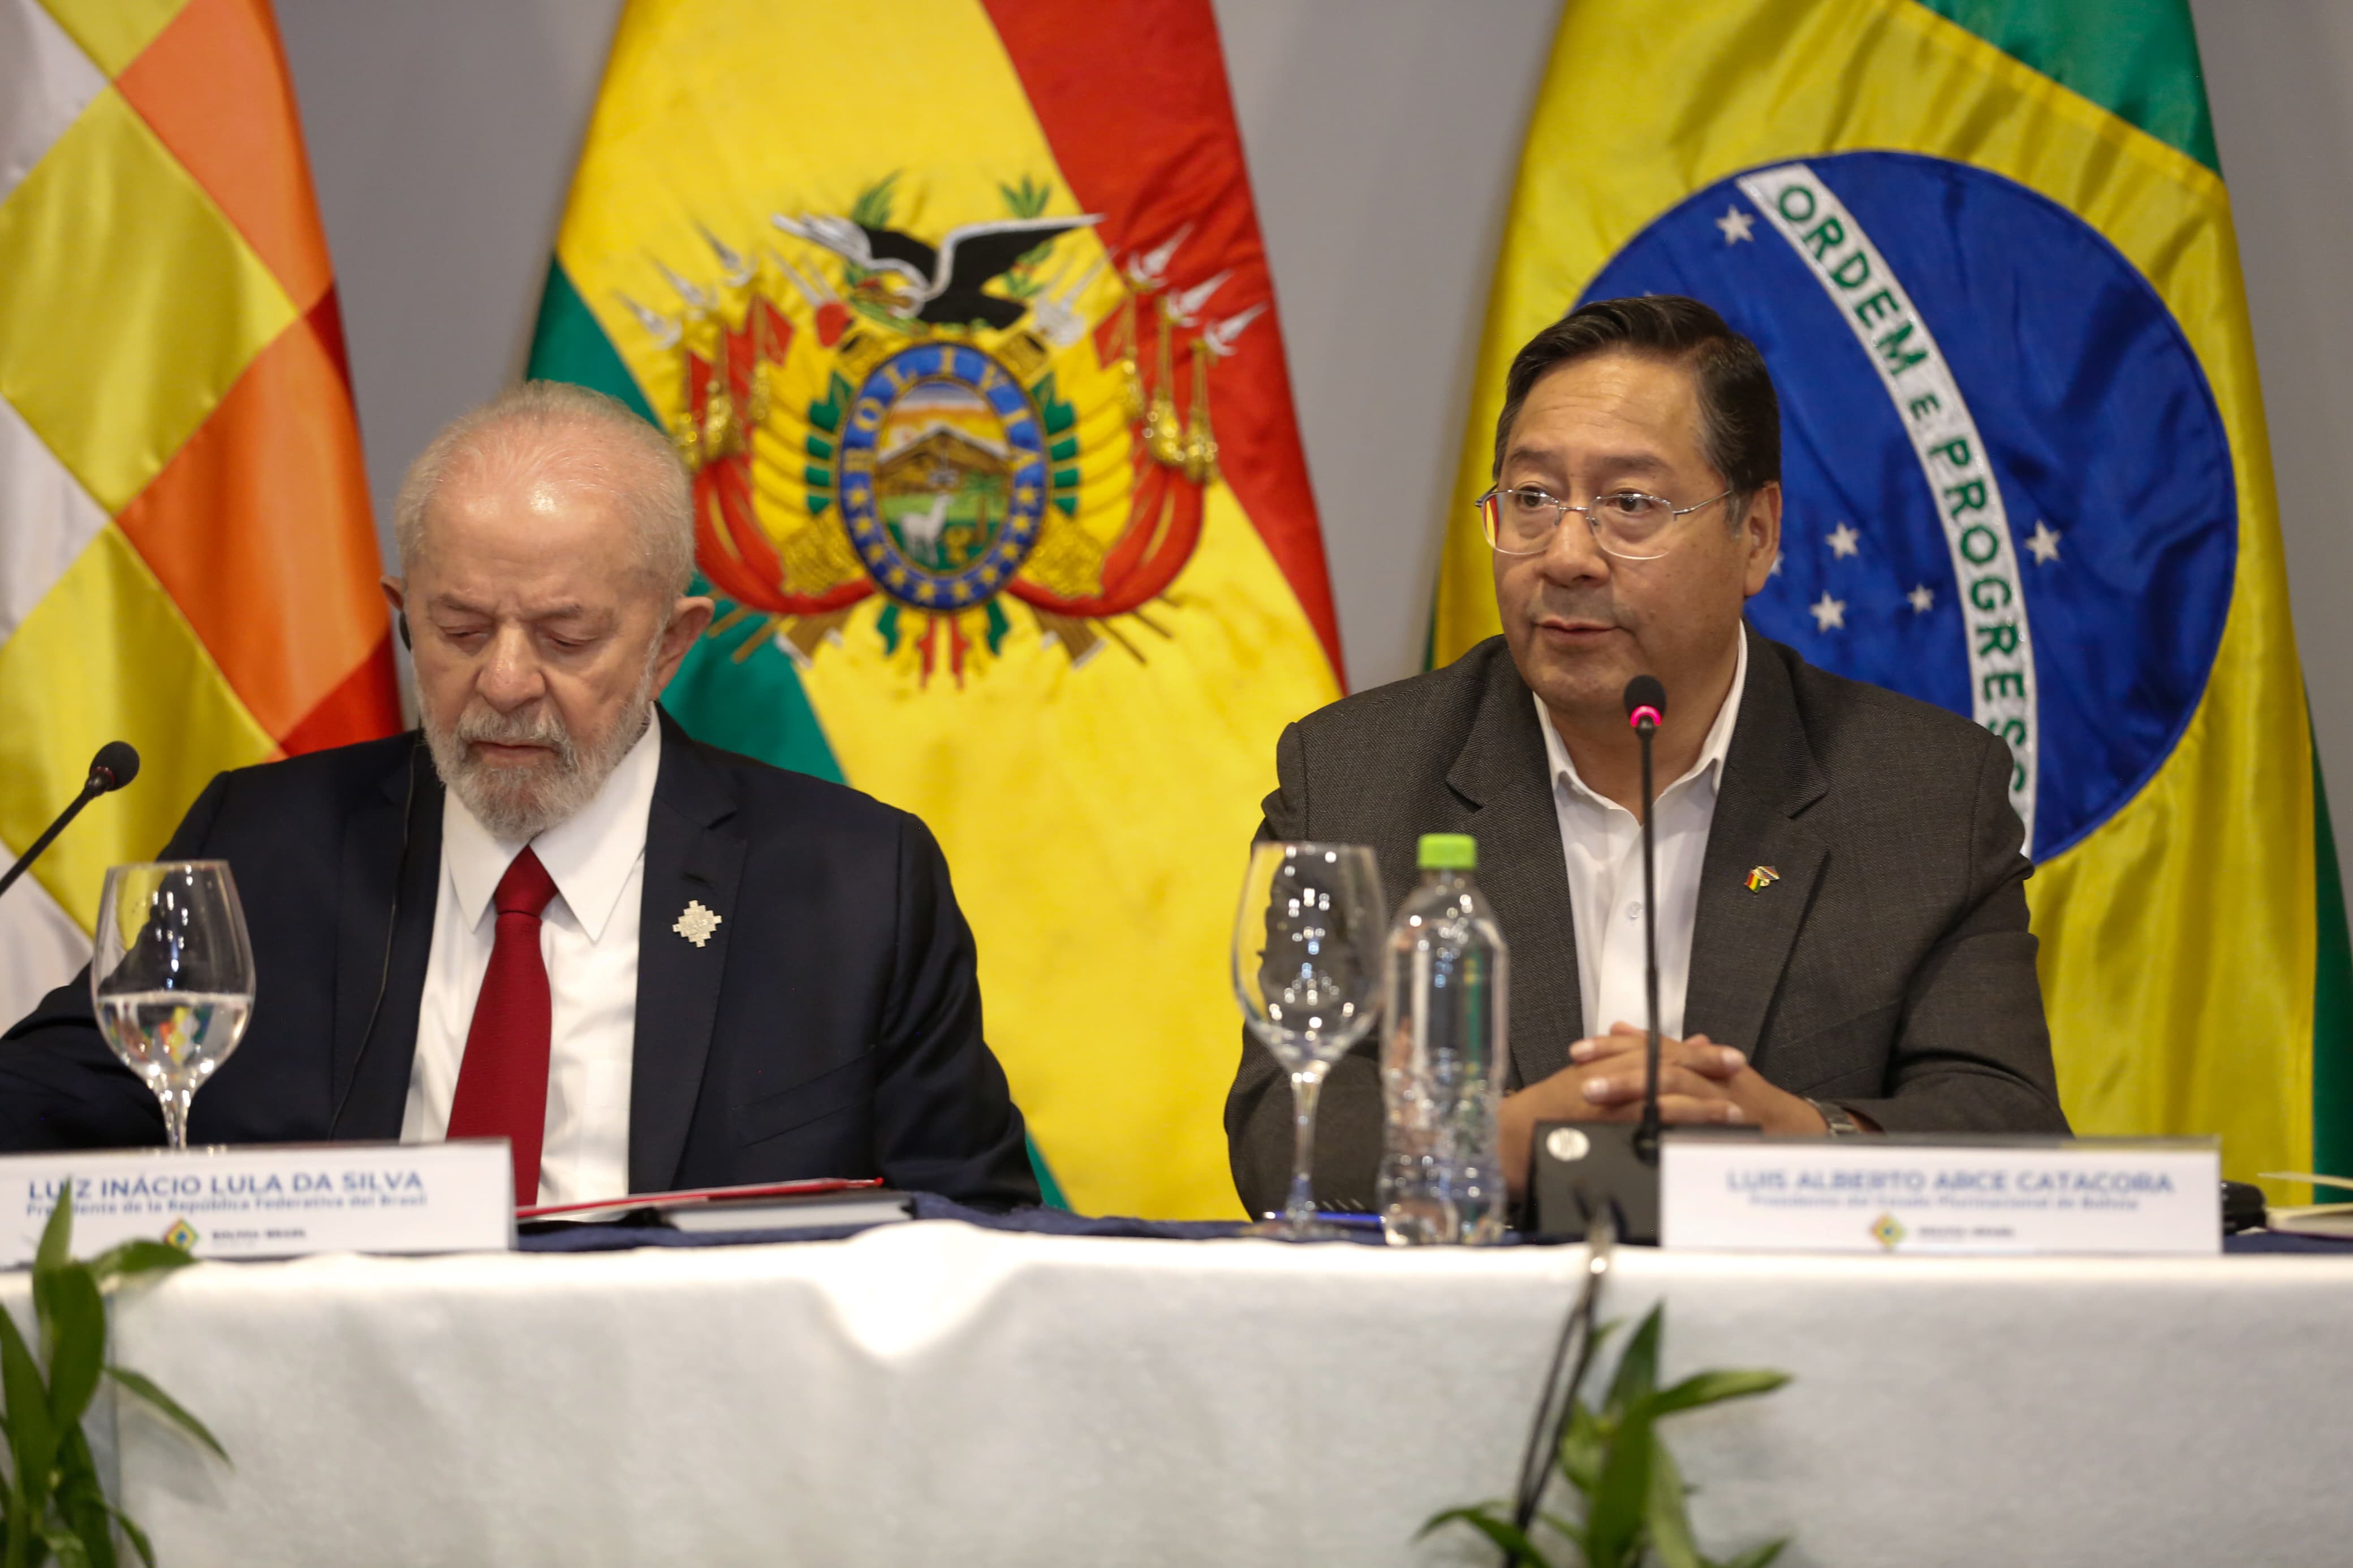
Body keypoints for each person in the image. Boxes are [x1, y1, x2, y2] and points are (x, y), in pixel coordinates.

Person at [0, 382, 1038, 1209]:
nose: (502, 682)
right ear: (403, 614)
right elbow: (45, 1105)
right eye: (457, 631)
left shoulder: (852, 887)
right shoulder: (268, 845)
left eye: (565, 636)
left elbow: (976, 1232)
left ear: (671, 642)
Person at [1226, 296, 2068, 1219]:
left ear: (1756, 535)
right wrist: (1504, 1141)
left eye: (1630, 505)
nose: (1568, 555)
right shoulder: (1355, 777)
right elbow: (1281, 1130)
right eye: (1532, 499)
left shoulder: (1924, 794)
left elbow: (2009, 1129)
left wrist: (1801, 1138)